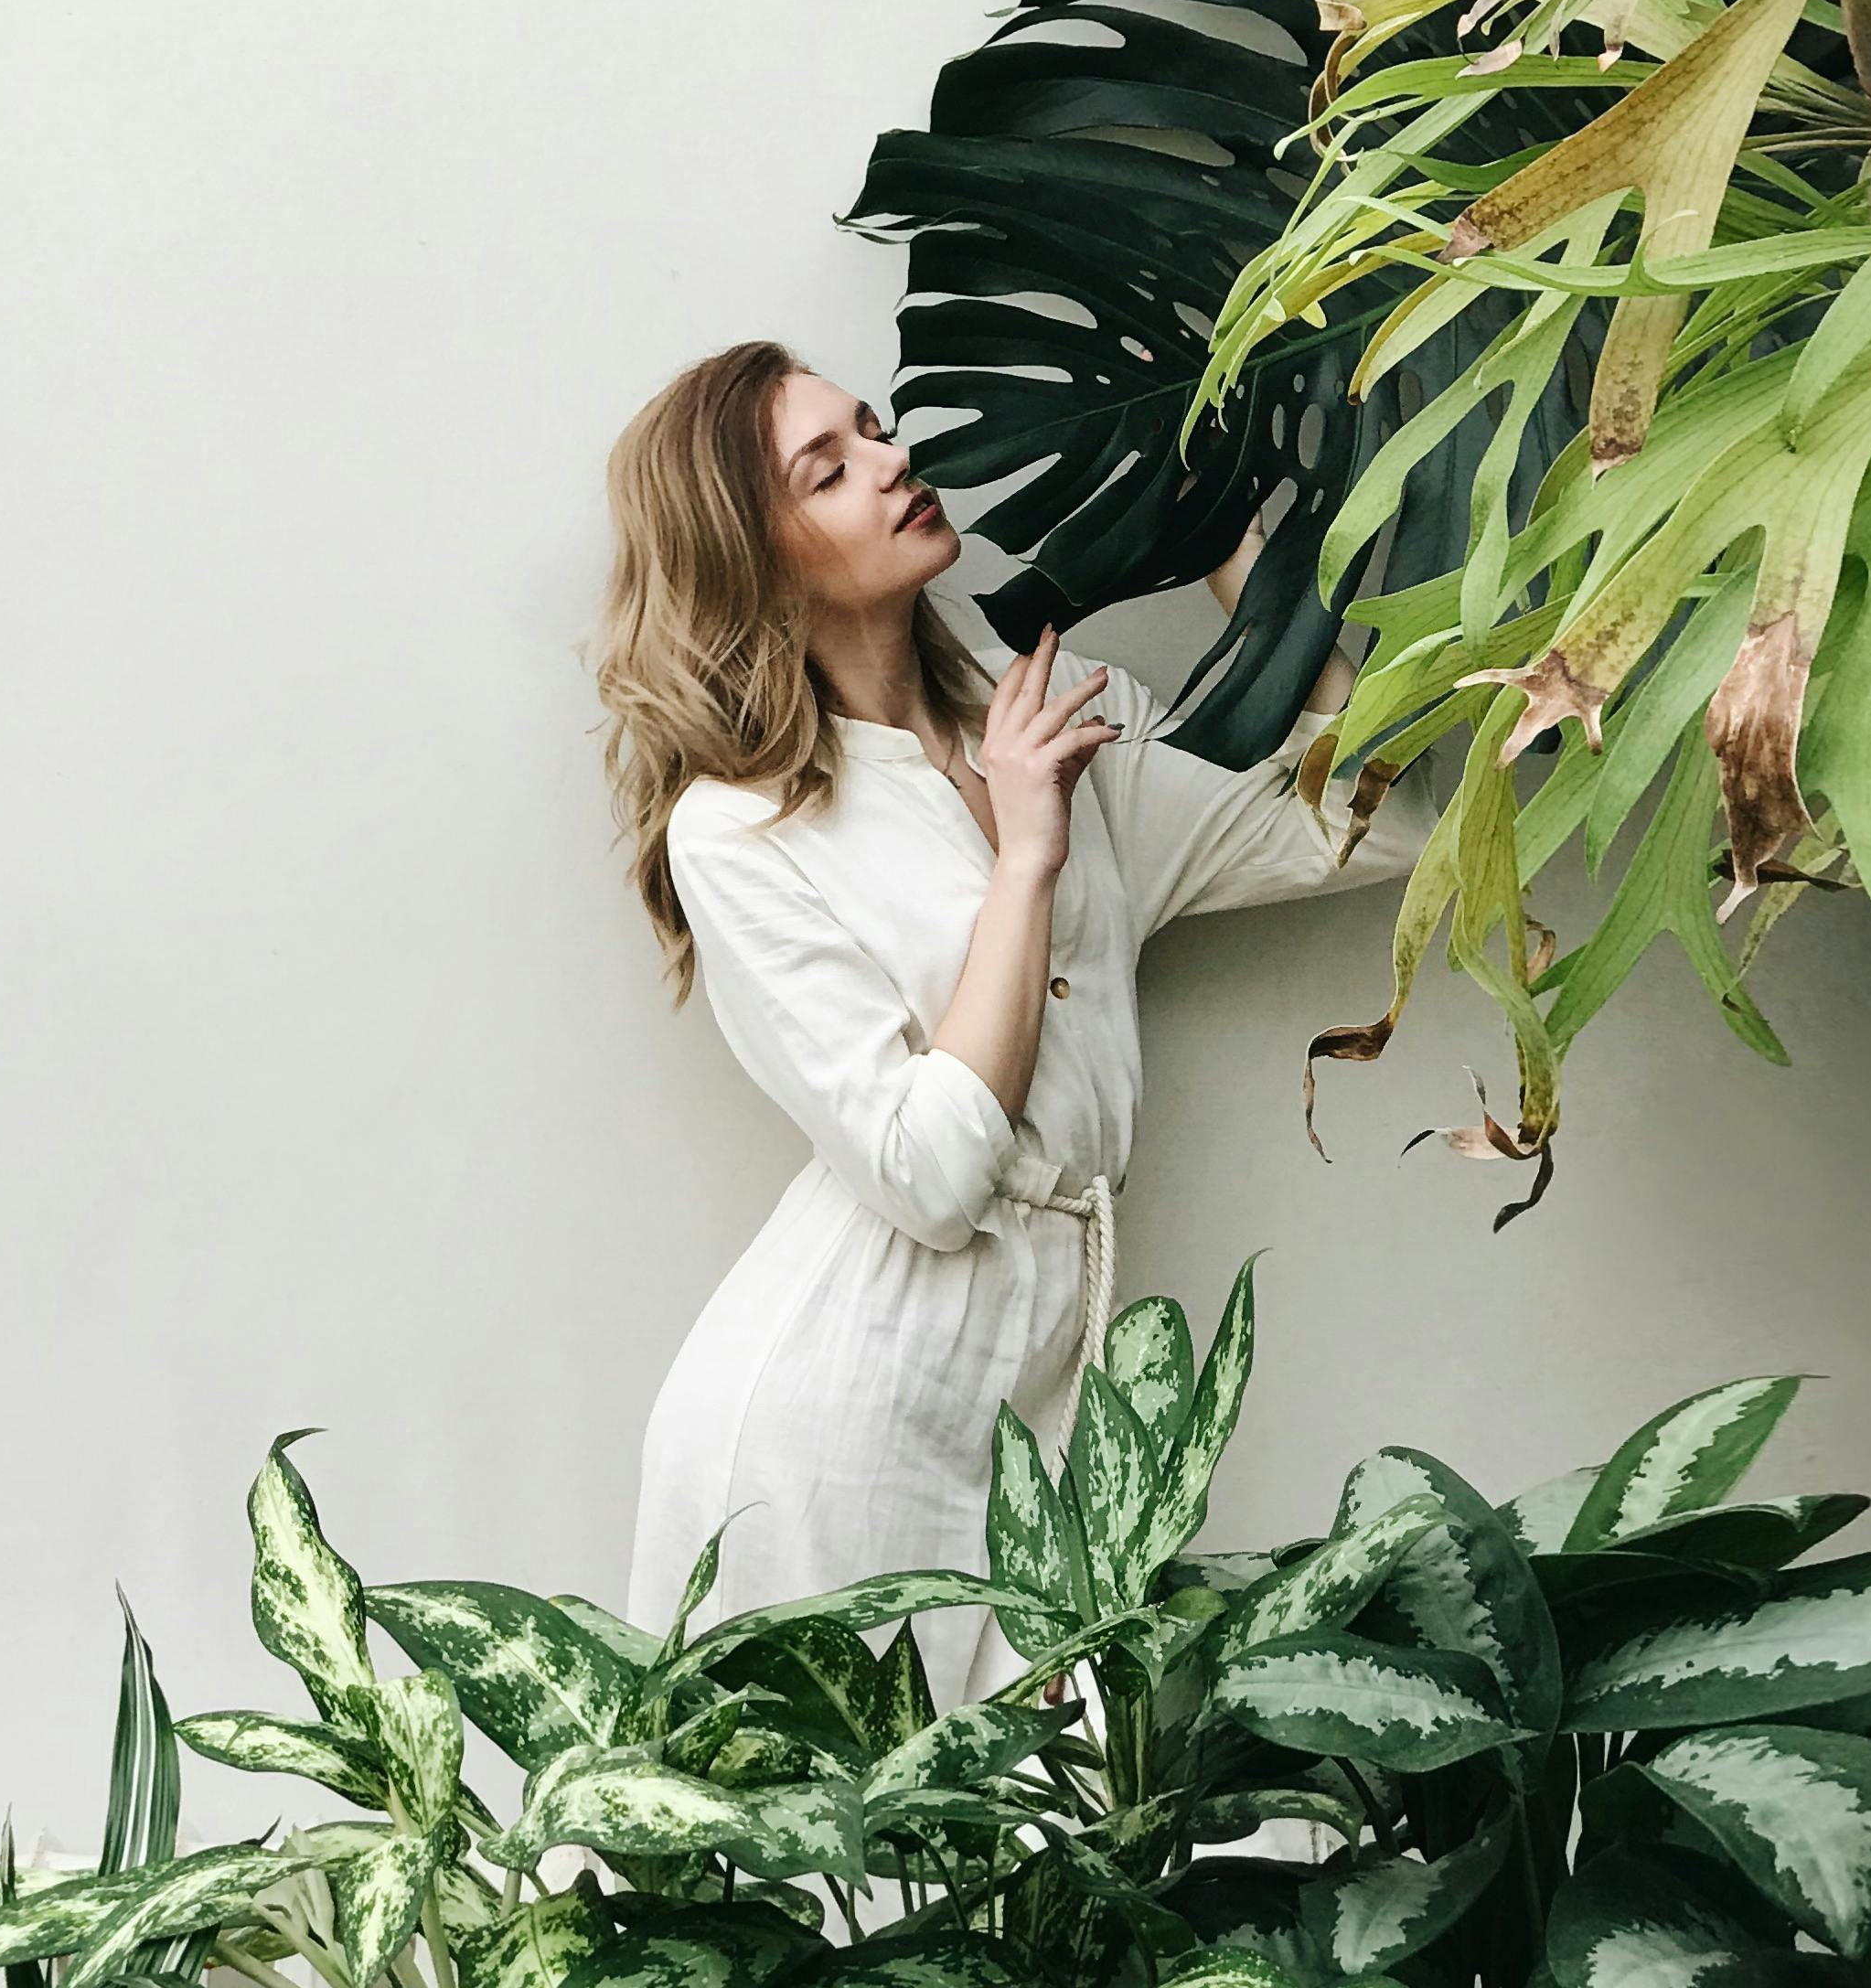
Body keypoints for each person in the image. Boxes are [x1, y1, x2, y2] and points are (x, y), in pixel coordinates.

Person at [596, 338, 1430, 1707]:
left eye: (875, 427)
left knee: (1044, 1871)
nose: (892, 459)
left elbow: (1376, 823)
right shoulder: (741, 828)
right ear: (756, 555)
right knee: (850, 1889)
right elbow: (930, 1177)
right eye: (832, 466)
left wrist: (1242, 563)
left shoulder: (1038, 716)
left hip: (1046, 1390)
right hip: (832, 1422)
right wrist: (1027, 856)